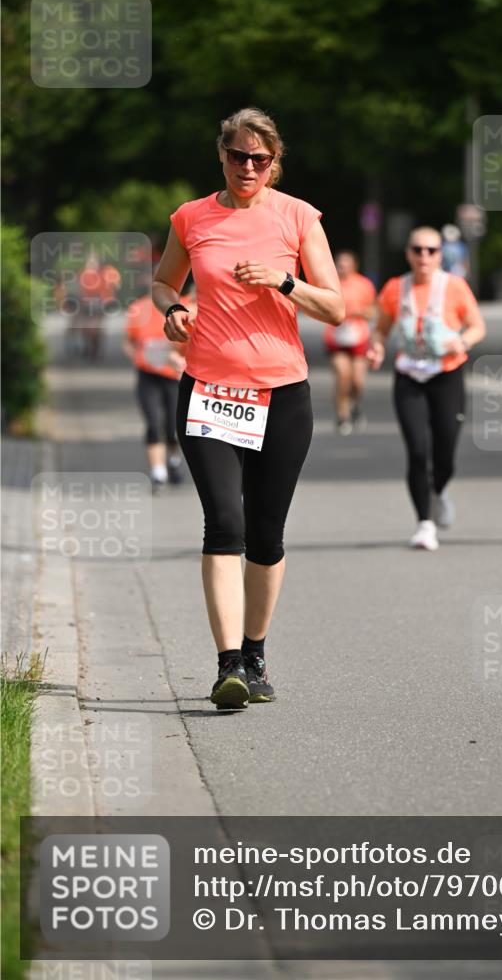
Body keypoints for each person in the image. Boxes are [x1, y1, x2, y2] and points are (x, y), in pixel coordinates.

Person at [152, 107, 343, 709]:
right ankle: (228, 664)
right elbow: (163, 282)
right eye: (238, 156)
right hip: (210, 389)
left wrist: (284, 282)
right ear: (222, 155)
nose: (248, 167)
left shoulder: (298, 217)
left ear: (274, 162)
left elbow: (336, 308)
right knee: (223, 526)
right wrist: (173, 308)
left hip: (282, 393)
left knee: (265, 533)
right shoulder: (192, 217)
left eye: (260, 159)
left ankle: (256, 653)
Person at [367, 226, 486, 551]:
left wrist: (461, 341)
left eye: (431, 250)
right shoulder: (395, 288)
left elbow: (477, 326)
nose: (424, 256)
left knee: (444, 453)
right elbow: (380, 329)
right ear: (408, 253)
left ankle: (440, 491)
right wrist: (376, 347)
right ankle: (424, 524)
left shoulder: (455, 287)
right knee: (418, 452)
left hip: (447, 375)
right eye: (417, 249)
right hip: (409, 378)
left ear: (440, 255)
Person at [124, 283, 191, 493]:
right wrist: (138, 357)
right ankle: (158, 473)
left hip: (174, 378)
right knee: (153, 423)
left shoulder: (186, 306)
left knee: (172, 427)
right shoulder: (138, 308)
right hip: (148, 376)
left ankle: (173, 459)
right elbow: (129, 342)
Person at [323, 250, 376, 434]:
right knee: (342, 375)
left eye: (346, 263)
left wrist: (358, 313)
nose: (342, 266)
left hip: (358, 337)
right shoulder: (329, 282)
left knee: (357, 380)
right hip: (336, 337)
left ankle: (354, 405)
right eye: (339, 263)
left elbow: (372, 311)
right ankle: (342, 415)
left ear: (354, 265)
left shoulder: (364, 284)